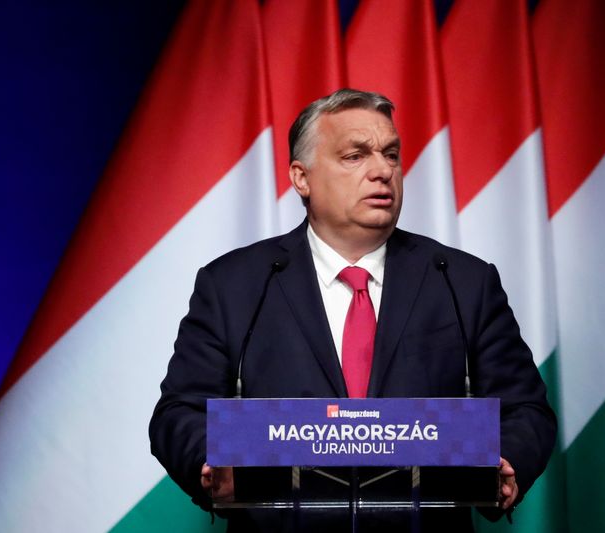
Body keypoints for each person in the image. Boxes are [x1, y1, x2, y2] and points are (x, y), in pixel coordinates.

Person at [149, 88, 556, 532]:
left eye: (391, 155)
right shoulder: (234, 285)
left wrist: (507, 461)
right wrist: (209, 462)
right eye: (355, 156)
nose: (383, 170)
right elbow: (179, 411)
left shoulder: (462, 281)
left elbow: (526, 409)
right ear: (301, 178)